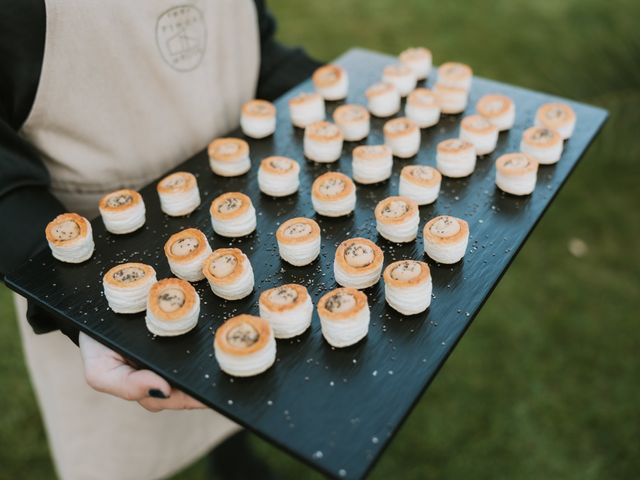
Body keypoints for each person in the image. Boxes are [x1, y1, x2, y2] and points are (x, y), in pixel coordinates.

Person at [0, 1, 320, 478]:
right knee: (134, 421)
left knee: (239, 365)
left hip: (238, 218)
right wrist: (73, 301)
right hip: (99, 272)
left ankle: (233, 457)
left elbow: (251, 50)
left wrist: (357, 86)